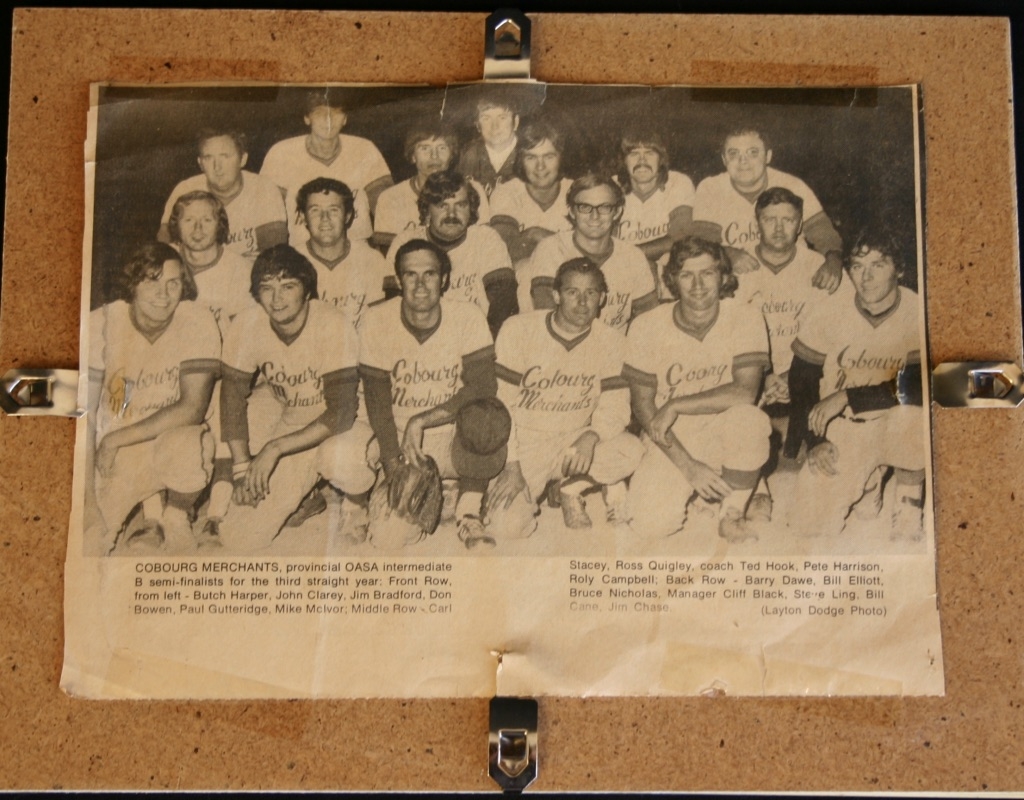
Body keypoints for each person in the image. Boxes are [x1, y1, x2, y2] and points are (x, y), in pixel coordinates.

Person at [215, 244, 366, 551]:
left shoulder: (332, 323)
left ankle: (358, 502)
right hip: (294, 418)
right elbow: (231, 397)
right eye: (266, 288)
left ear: (306, 290)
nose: (277, 298)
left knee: (343, 459)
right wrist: (243, 469)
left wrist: (274, 449)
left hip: (346, 423)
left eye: (288, 286)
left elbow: (342, 412)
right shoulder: (247, 323)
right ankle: (309, 496)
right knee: (238, 537)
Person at [355, 239, 504, 549]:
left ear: (444, 278)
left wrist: (421, 420)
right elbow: (377, 399)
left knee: (486, 415)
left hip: (452, 431)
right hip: (399, 436)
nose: (421, 284)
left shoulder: (467, 315)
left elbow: (483, 386)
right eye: (411, 275)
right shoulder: (375, 319)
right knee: (388, 540)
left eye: (430, 274)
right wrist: (392, 463)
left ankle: (468, 511)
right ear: (398, 280)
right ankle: (432, 489)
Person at [624, 236, 772, 542]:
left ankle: (732, 509)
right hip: (671, 435)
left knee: (750, 419)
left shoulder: (745, 316)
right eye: (686, 275)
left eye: (707, 273)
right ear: (672, 281)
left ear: (724, 277)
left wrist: (676, 404)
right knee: (650, 525)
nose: (698, 284)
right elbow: (643, 407)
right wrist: (689, 467)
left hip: (725, 423)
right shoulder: (646, 325)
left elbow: (745, 392)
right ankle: (742, 482)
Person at [487, 257, 644, 539]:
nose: (582, 302)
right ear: (556, 295)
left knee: (631, 450)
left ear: (603, 298)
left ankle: (571, 488)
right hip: (526, 443)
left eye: (591, 293)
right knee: (506, 527)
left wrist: (591, 436)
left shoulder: (613, 340)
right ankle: (551, 485)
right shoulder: (519, 329)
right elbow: (501, 406)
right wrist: (511, 465)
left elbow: (615, 405)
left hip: (574, 441)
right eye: (573, 292)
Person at [787, 228, 925, 540]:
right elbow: (802, 380)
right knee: (809, 526)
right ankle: (870, 481)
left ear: (899, 269)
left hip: (893, 421)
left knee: (913, 415)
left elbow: (918, 386)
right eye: (858, 266)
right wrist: (815, 440)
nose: (866, 277)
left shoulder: (918, 310)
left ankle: (908, 503)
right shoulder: (830, 310)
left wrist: (848, 395)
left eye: (878, 265)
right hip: (843, 426)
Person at [86, 242, 220, 554]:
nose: (164, 293)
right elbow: (85, 415)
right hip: (121, 448)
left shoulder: (196, 320)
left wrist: (115, 440)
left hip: (168, 438)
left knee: (186, 445)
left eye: (173, 282)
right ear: (132, 283)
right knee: (92, 539)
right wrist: (87, 504)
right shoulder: (102, 323)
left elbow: (192, 409)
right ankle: (148, 515)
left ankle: (176, 515)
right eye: (152, 280)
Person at [734, 186, 849, 520]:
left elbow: (845, 331)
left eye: (788, 219)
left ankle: (794, 445)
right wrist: (761, 375)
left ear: (801, 225)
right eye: (770, 219)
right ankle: (757, 490)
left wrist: (793, 374)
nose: (780, 228)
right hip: (754, 373)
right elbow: (726, 336)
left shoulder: (821, 267)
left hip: (808, 372)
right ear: (757, 222)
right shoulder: (738, 266)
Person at [166, 191, 256, 538]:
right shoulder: (165, 262)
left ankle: (216, 515)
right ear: (176, 225)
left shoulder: (239, 269)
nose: (199, 228)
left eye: (207, 219)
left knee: (224, 414)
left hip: (224, 371)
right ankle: (162, 513)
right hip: (174, 371)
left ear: (221, 224)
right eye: (189, 220)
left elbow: (247, 338)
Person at [691, 126, 843, 291]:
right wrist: (727, 253)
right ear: (724, 159)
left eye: (753, 152)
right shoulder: (710, 188)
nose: (743, 161)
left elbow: (824, 233)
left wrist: (833, 260)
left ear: (768, 156)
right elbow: (701, 240)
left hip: (791, 275)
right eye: (734, 153)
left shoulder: (792, 185)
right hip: (740, 281)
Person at [517, 173, 659, 332]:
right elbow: (548, 321)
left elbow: (649, 322)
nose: (595, 216)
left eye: (605, 207)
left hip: (615, 350)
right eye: (585, 207)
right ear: (572, 211)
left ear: (617, 212)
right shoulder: (551, 249)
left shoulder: (633, 256)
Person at [386, 169, 516, 337]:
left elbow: (503, 306)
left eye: (460, 205)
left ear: (471, 208)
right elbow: (393, 305)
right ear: (427, 209)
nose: (452, 214)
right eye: (442, 206)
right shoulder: (406, 241)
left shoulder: (486, 239)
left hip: (475, 337)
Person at [260, 87, 391, 247]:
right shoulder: (281, 152)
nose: (328, 120)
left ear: (345, 119)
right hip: (300, 247)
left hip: (357, 246)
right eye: (320, 113)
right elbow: (266, 212)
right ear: (307, 118)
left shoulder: (363, 148)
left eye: (336, 113)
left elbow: (386, 205)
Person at [158, 128, 287, 262]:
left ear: (243, 159)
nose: (217, 166)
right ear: (200, 163)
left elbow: (275, 253)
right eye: (208, 158)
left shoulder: (263, 188)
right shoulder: (185, 190)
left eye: (225, 156)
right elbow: (164, 250)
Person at [372, 121, 489, 252]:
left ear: (452, 155)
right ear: (413, 156)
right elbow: (388, 253)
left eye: (442, 148)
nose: (434, 156)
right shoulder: (390, 197)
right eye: (425, 148)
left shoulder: (471, 189)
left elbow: (482, 243)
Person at [294, 177, 391, 328]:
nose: (324, 218)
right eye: (315, 210)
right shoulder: (290, 261)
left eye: (333, 210)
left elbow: (379, 325)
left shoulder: (371, 259)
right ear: (302, 217)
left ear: (347, 216)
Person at [488, 119, 574, 262]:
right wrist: (532, 236)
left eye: (549, 156)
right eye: (531, 157)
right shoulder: (506, 193)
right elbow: (503, 251)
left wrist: (534, 235)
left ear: (561, 158)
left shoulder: (578, 191)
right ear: (520, 160)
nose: (540, 166)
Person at [613, 128, 695, 271]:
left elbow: (681, 235)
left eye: (650, 153)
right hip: (625, 271)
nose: (642, 160)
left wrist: (630, 256)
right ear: (624, 161)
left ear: (661, 159)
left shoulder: (677, 182)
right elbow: (607, 243)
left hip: (669, 271)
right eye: (634, 154)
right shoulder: (611, 187)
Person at [457, 93, 520, 197]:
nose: (494, 126)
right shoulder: (465, 156)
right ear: (477, 125)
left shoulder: (531, 154)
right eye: (486, 118)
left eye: (502, 118)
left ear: (516, 122)